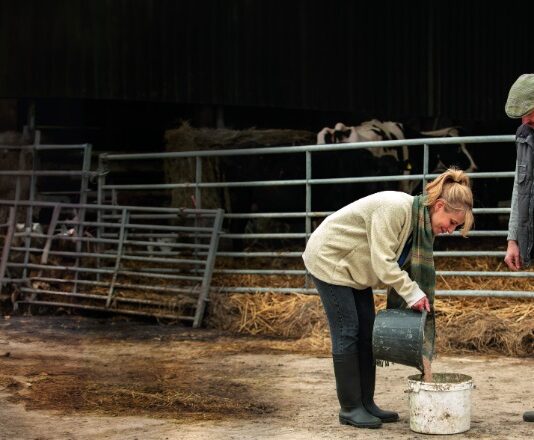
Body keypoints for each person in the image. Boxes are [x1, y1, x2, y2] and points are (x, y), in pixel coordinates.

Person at [302, 168, 474, 429]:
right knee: (347, 330)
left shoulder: (418, 225)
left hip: (355, 269)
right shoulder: (395, 208)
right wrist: (413, 293)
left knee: (367, 332)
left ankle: (367, 403)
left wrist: (412, 291)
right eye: (451, 222)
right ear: (439, 205)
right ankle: (350, 407)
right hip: (330, 259)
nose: (450, 230)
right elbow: (383, 262)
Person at [502, 73, 534, 424]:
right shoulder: (525, 136)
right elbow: (519, 188)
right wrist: (513, 238)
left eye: (528, 111)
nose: (524, 120)